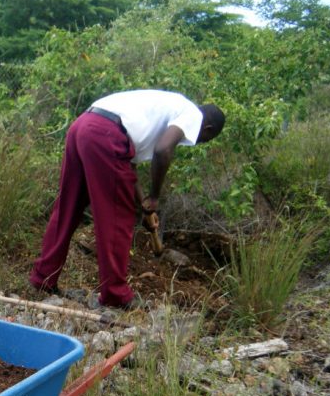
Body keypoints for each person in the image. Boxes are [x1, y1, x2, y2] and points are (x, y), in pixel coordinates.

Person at [30, 89, 225, 308]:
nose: (198, 142)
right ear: (208, 129)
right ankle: (115, 294)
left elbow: (127, 165)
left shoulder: (170, 106)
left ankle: (43, 278)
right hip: (106, 134)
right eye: (205, 140)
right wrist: (154, 196)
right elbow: (163, 151)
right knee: (117, 219)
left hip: (84, 125)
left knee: (68, 208)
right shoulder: (192, 116)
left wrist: (144, 205)